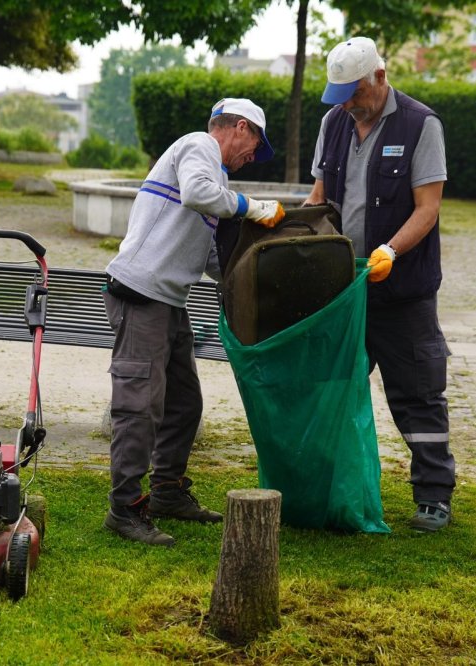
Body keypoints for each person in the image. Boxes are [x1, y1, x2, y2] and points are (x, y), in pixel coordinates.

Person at [102, 98, 286, 546]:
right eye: (254, 147)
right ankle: (124, 509)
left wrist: (250, 282)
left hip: (167, 301)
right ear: (240, 127)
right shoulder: (199, 146)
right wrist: (253, 207)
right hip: (141, 294)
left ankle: (167, 492)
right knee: (139, 406)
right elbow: (198, 195)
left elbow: (206, 254)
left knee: (184, 403)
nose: (251, 157)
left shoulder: (214, 176)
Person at [303, 37, 456, 532]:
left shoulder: (420, 124)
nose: (347, 103)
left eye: (354, 92)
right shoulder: (333, 123)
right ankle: (325, 486)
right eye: (339, 94)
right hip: (344, 291)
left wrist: (390, 249)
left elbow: (428, 208)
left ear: (381, 78)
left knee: (417, 394)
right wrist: (294, 233)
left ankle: (433, 497)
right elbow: (321, 195)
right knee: (333, 390)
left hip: (401, 291)